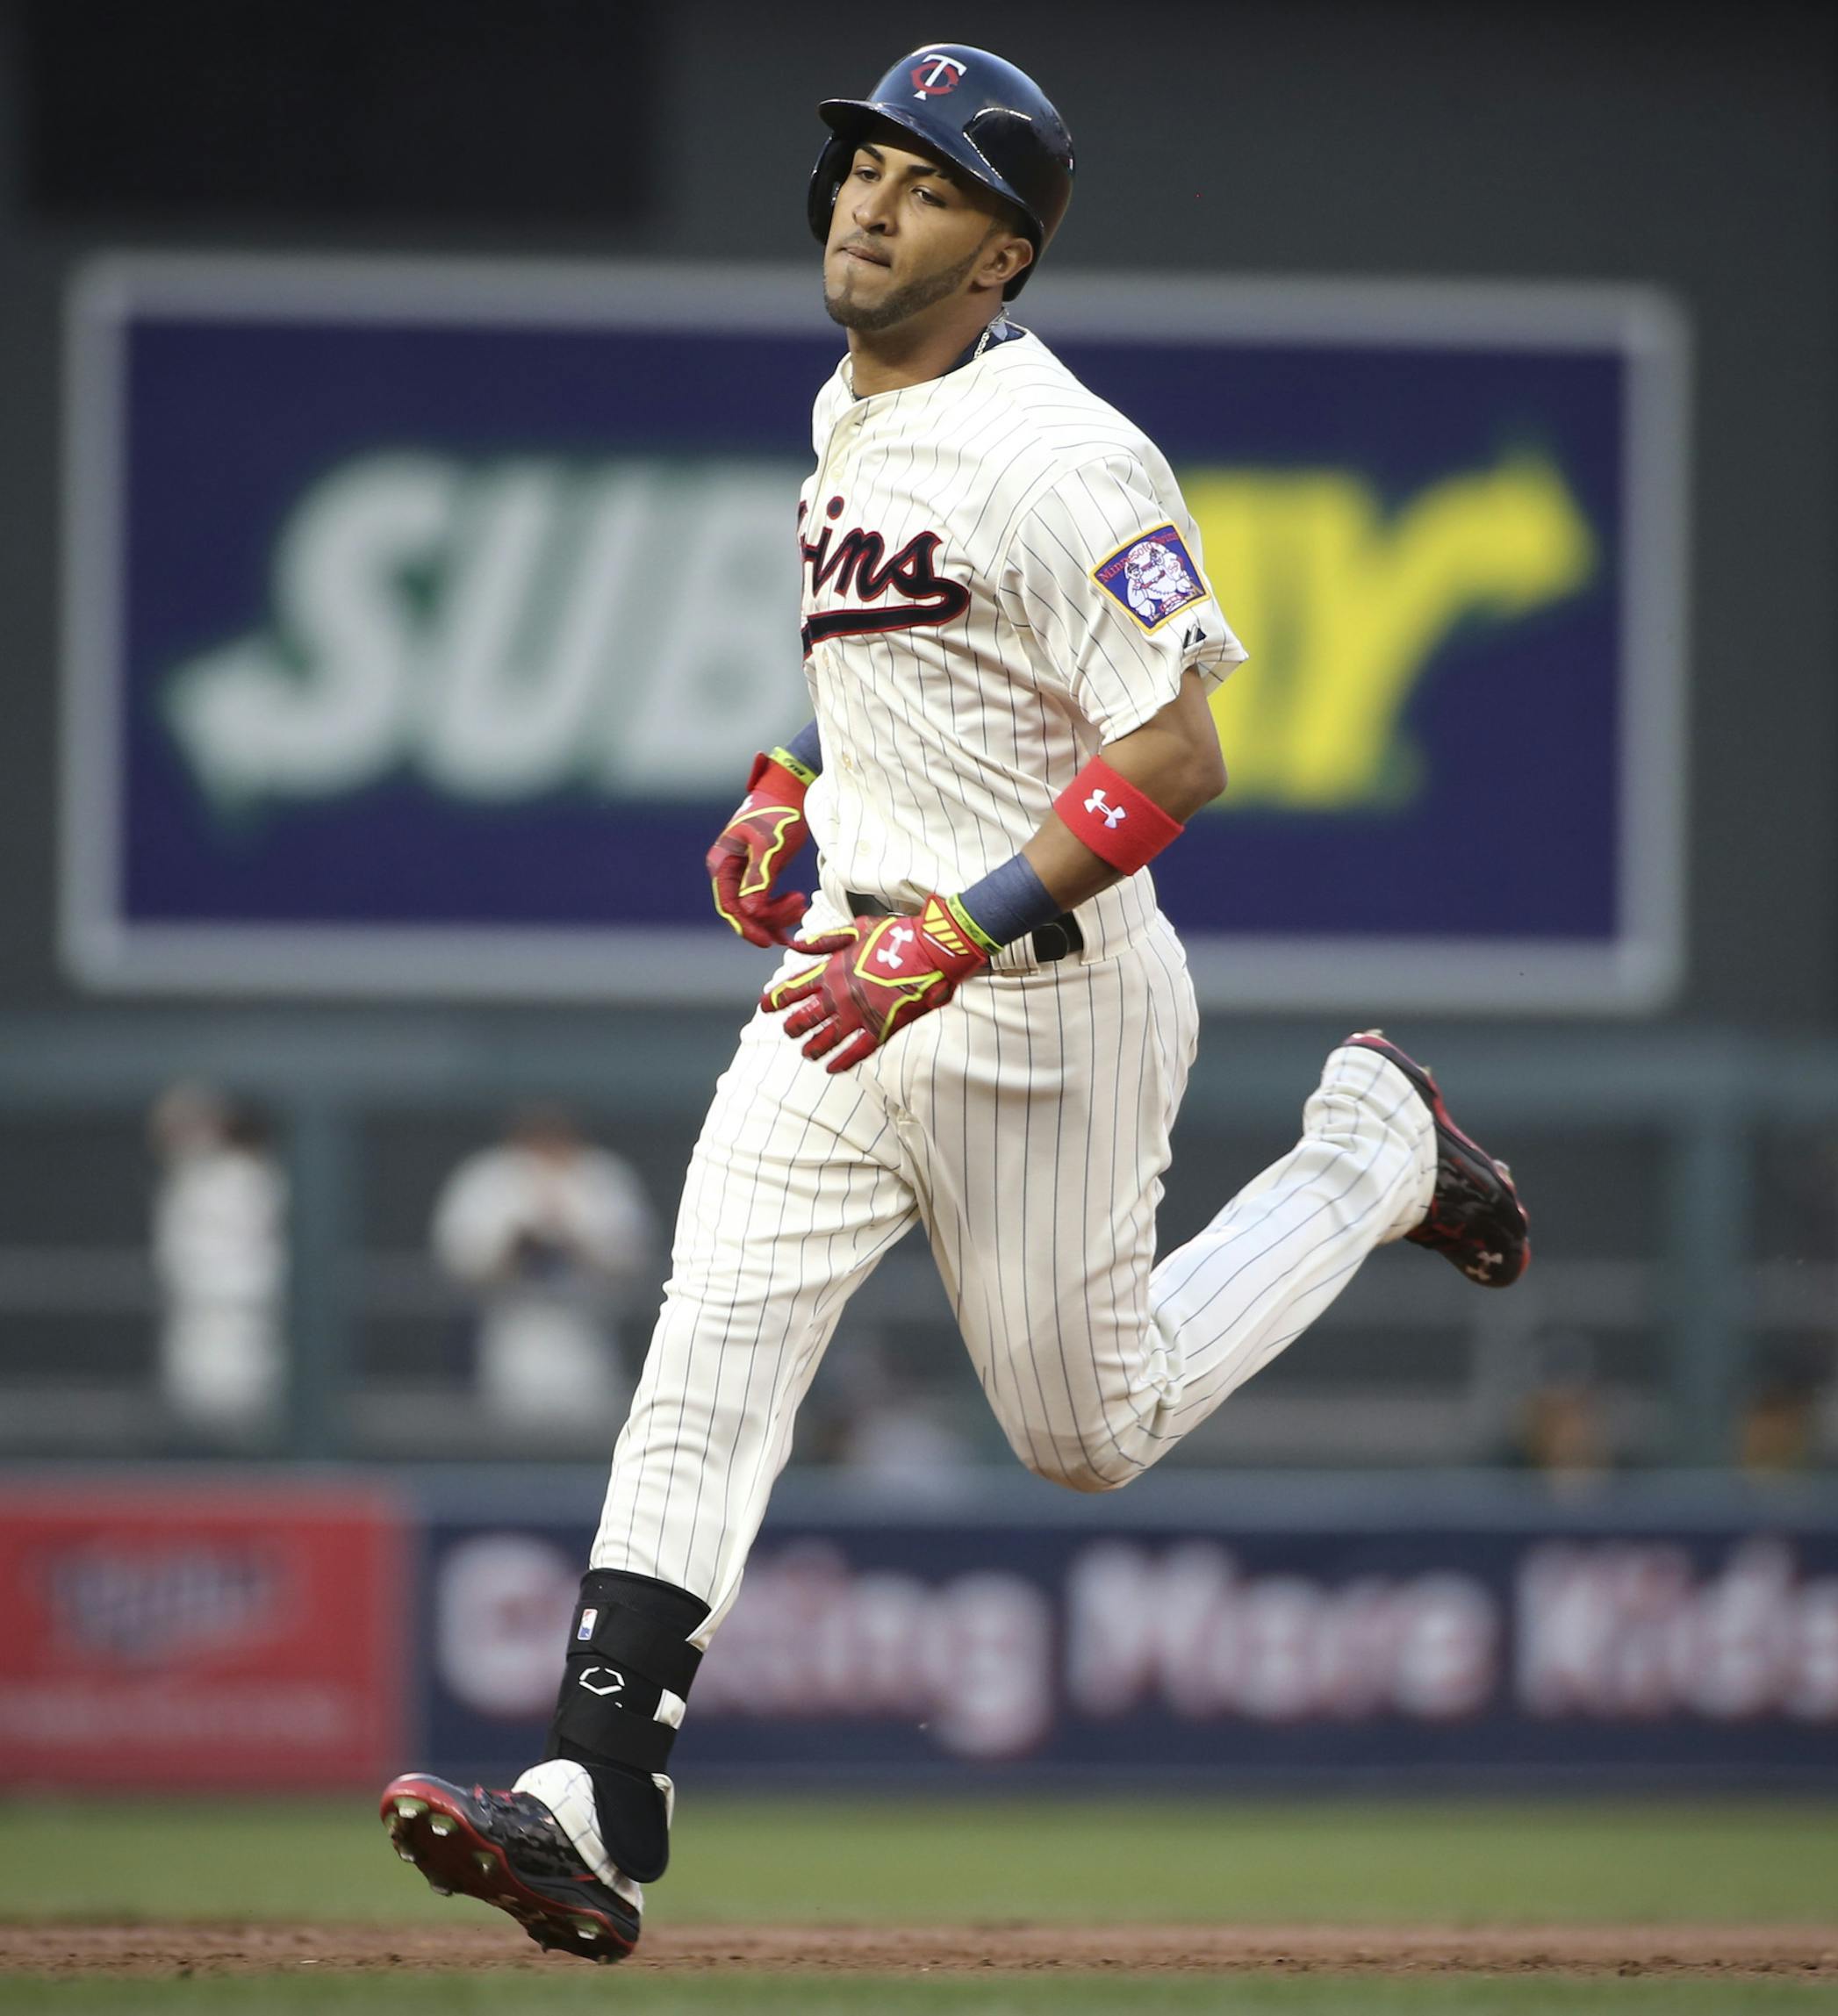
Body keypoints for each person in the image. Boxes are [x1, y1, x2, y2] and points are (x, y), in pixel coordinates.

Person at [380, 43, 1530, 1962]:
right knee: (711, 1335)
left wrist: (965, 929)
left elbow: (1174, 754)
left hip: (1040, 1005)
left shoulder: (1069, 453)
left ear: (1003, 256)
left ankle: (1373, 1148)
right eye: (858, 162)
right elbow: (925, 687)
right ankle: (592, 1787)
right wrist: (789, 786)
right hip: (850, 980)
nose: (866, 198)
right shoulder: (848, 411)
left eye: (921, 181)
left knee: (1090, 1429)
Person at [432, 1106, 655, 1431]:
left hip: (587, 1334)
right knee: (510, 1439)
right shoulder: (489, 1175)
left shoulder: (602, 1175)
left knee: (593, 1437)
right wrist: (517, 1248)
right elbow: (460, 1263)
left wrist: (574, 1241)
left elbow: (632, 1260)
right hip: (513, 1330)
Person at [149, 1084, 287, 1438]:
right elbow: (177, 1267)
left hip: (259, 1344)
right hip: (199, 1342)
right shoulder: (191, 1185)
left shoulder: (256, 1181)